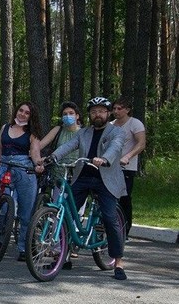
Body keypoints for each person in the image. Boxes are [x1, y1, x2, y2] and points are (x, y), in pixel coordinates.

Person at [49, 97, 128, 280]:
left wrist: (104, 159)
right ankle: (64, 255)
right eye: (93, 111)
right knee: (66, 213)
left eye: (101, 111)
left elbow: (115, 147)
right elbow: (68, 146)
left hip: (105, 179)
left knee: (109, 217)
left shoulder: (117, 132)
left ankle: (118, 262)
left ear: (108, 113)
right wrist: (51, 157)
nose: (97, 114)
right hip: (83, 177)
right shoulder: (83, 133)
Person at [0, 101, 45, 262]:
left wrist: (38, 164)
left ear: (31, 116)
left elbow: (35, 153)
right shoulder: (5, 128)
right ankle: (1, 238)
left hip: (24, 170)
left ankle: (23, 247)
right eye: (21, 110)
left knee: (25, 211)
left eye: (27, 113)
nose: (22, 114)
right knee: (4, 206)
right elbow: (0, 150)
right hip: (5, 168)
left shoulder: (32, 133)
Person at [111, 97, 146, 236]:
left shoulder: (134, 123)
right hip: (111, 166)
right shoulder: (111, 125)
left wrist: (128, 156)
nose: (116, 111)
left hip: (127, 167)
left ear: (127, 110)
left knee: (124, 197)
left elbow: (141, 143)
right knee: (108, 196)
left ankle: (125, 230)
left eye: (119, 108)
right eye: (114, 108)